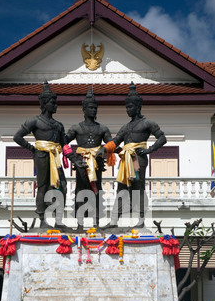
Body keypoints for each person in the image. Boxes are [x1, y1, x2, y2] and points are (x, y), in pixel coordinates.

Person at [97, 82, 167, 228]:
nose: (128, 110)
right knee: (121, 188)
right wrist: (105, 148)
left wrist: (149, 150)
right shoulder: (126, 127)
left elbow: (162, 138)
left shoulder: (147, 123)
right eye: (127, 107)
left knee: (138, 187)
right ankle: (114, 221)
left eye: (131, 107)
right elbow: (116, 141)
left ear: (138, 107)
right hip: (125, 161)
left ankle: (141, 222)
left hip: (138, 159)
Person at [13, 82, 82, 229]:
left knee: (62, 186)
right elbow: (17, 137)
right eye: (53, 102)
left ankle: (58, 220)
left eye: (56, 102)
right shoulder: (34, 121)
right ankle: (43, 219)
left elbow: (64, 145)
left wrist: (74, 159)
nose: (55, 105)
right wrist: (32, 149)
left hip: (55, 157)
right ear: (44, 104)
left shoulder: (59, 125)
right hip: (42, 156)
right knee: (43, 187)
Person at [66, 88, 112, 228]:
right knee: (80, 190)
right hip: (81, 162)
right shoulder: (76, 128)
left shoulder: (102, 128)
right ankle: (80, 223)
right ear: (84, 109)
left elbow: (111, 143)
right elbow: (64, 141)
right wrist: (72, 157)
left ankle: (96, 222)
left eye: (95, 107)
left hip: (96, 162)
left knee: (96, 190)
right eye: (90, 107)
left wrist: (104, 149)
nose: (93, 110)